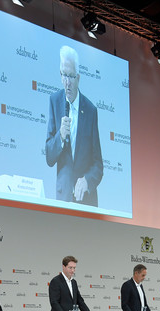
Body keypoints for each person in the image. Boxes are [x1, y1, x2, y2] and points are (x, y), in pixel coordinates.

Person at [46, 45, 103, 207]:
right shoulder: (54, 101)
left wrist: (87, 180)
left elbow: (98, 164)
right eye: (63, 75)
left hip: (86, 201)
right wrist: (60, 137)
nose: (67, 83)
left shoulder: (91, 110)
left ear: (78, 77)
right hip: (63, 199)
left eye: (71, 76)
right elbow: (49, 158)